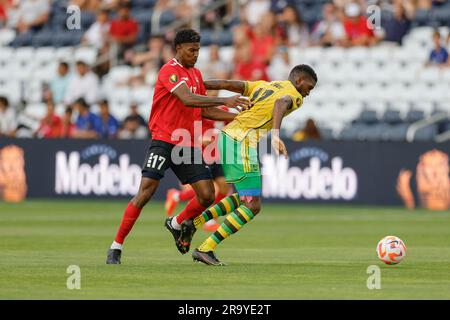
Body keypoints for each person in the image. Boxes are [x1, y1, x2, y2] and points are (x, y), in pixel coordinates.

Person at [106, 29, 251, 264]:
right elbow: (187, 99)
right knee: (145, 193)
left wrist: (236, 116)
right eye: (191, 50)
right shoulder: (169, 71)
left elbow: (203, 110)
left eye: (198, 50)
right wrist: (225, 99)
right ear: (179, 48)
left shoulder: (196, 75)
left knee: (207, 195)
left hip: (187, 143)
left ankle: (175, 223)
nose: (195, 55)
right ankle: (116, 247)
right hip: (163, 140)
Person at [179, 64, 317, 266]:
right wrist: (276, 135)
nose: (308, 92)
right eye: (309, 87)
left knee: (245, 197)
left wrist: (197, 84)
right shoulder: (294, 96)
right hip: (240, 141)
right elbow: (281, 103)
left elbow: (228, 84)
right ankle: (205, 248)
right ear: (299, 81)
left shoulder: (263, 85)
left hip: (230, 138)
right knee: (252, 205)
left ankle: (193, 223)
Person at [165, 90, 233, 232]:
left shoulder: (224, 109)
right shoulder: (198, 108)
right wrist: (200, 139)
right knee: (209, 190)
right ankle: (206, 220)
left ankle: (178, 197)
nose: (213, 96)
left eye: (216, 93)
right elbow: (188, 128)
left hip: (217, 154)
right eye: (211, 93)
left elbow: (229, 126)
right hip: (201, 153)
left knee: (225, 188)